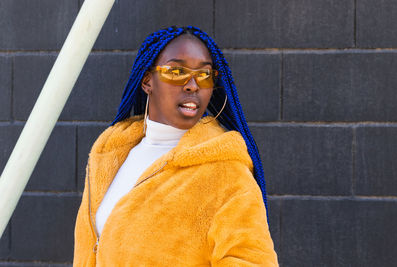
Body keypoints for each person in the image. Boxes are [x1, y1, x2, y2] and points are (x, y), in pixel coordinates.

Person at [73, 25, 279, 266]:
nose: (193, 85)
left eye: (204, 75)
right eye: (177, 71)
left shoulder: (226, 171)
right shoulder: (108, 156)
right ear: (147, 81)